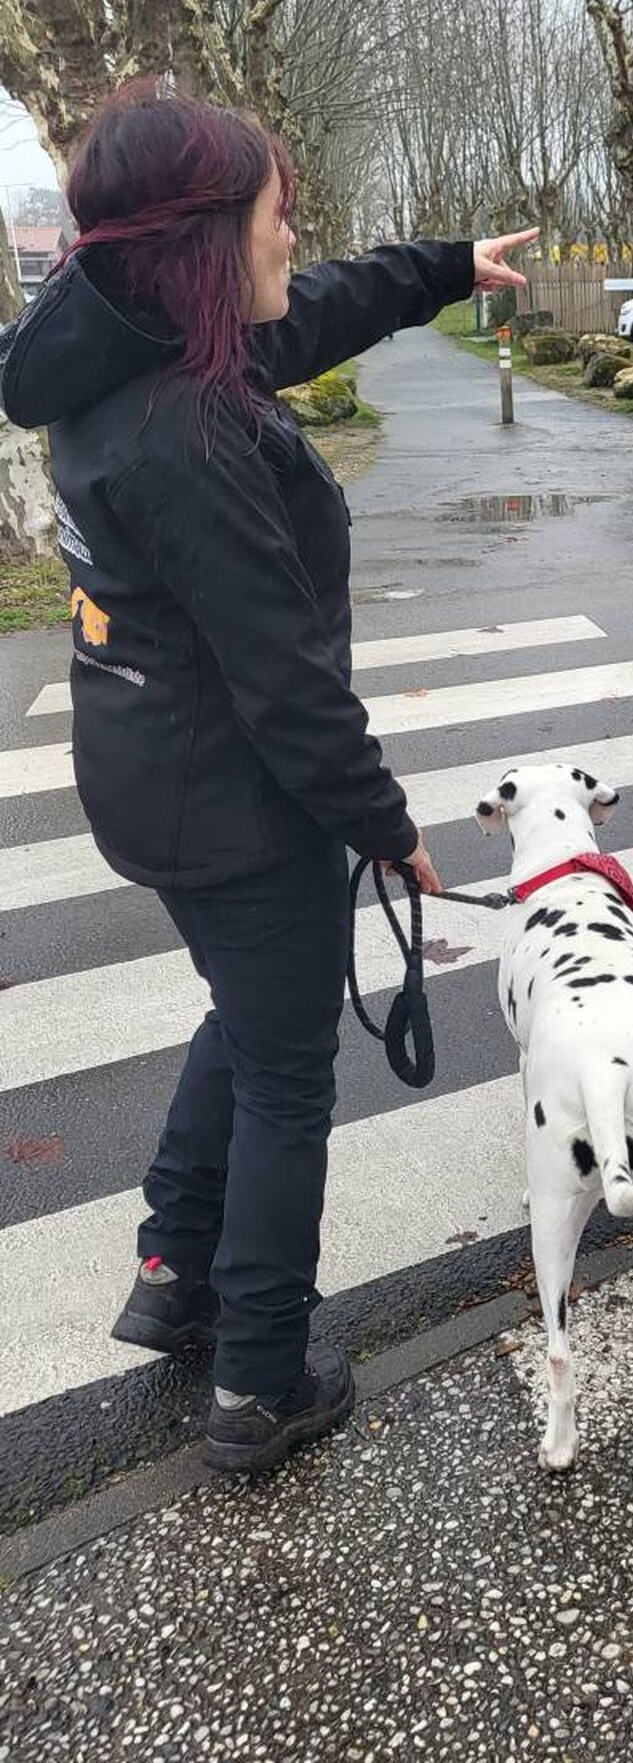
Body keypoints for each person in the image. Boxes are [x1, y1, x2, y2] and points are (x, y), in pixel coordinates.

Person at [0, 78, 535, 1475]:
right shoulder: (184, 432)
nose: (294, 234)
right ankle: (260, 1378)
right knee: (290, 1075)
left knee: (246, 1015)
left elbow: (310, 314)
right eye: (277, 213)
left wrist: (444, 268)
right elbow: (285, 681)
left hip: (154, 778)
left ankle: (173, 1268)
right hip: (235, 805)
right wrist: (386, 827)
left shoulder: (133, 354)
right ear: (205, 238)